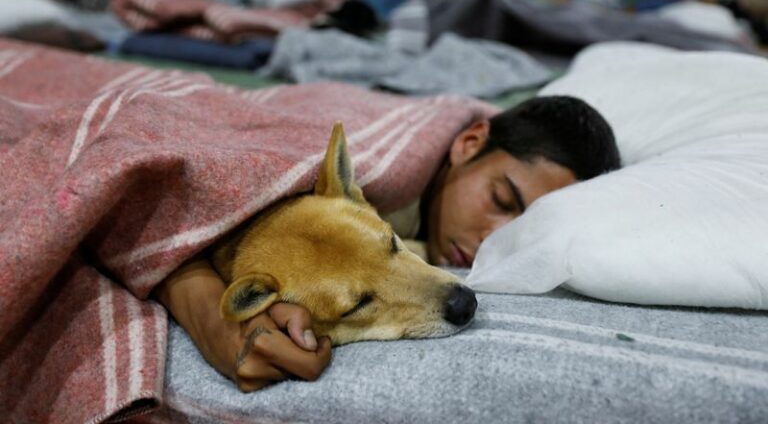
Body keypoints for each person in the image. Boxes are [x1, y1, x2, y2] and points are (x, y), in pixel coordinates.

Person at [155, 95, 621, 391]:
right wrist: (206, 312)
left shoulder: (358, 215)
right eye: (501, 199)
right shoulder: (368, 178)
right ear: (470, 141)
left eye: (530, 227)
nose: (494, 239)